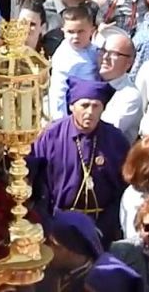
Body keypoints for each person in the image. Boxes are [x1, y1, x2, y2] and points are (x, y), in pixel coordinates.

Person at [31, 79, 131, 246]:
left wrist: (103, 228)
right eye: (84, 105)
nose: (90, 112)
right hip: (57, 226)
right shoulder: (50, 137)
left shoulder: (115, 139)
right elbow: (38, 184)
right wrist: (48, 223)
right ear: (71, 106)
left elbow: (123, 189)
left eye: (96, 106)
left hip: (101, 228)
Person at [38, 211, 143, 291]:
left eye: (54, 244)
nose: (48, 248)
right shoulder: (51, 272)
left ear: (72, 249)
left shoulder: (103, 282)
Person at [48, 11, 100, 115]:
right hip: (76, 110)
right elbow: (58, 93)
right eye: (71, 32)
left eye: (81, 31)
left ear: (92, 30)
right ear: (63, 31)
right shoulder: (63, 56)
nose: (76, 36)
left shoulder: (97, 50)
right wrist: (61, 122)